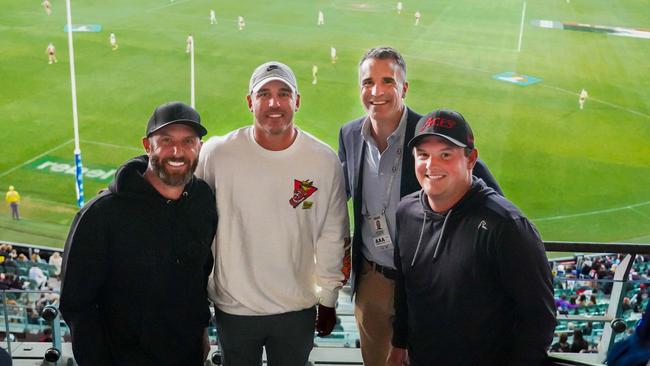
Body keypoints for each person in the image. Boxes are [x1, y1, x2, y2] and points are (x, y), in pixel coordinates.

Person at [338, 47, 503, 366]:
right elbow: (339, 193)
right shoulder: (350, 135)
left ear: (404, 87)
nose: (377, 91)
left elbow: (491, 198)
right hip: (374, 279)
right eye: (367, 82)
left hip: (426, 284)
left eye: (388, 81)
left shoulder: (430, 135)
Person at [196, 61, 349, 366]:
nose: (274, 103)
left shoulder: (322, 160)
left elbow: (333, 234)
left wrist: (329, 299)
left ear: (297, 101)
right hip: (235, 307)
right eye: (263, 94)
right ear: (249, 101)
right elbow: (191, 221)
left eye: (283, 93)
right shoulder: (217, 154)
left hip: (296, 307)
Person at [387, 108, 556, 365]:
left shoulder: (506, 226)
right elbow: (404, 287)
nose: (432, 165)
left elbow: (539, 318)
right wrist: (399, 344)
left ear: (470, 159)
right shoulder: (405, 212)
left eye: (446, 154)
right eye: (423, 155)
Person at [59, 101, 217, 365]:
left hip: (186, 353)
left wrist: (200, 331)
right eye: (166, 140)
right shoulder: (101, 214)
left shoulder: (202, 201)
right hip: (124, 357)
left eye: (188, 141)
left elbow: (198, 275)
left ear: (199, 147)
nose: (177, 151)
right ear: (147, 145)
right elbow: (77, 304)